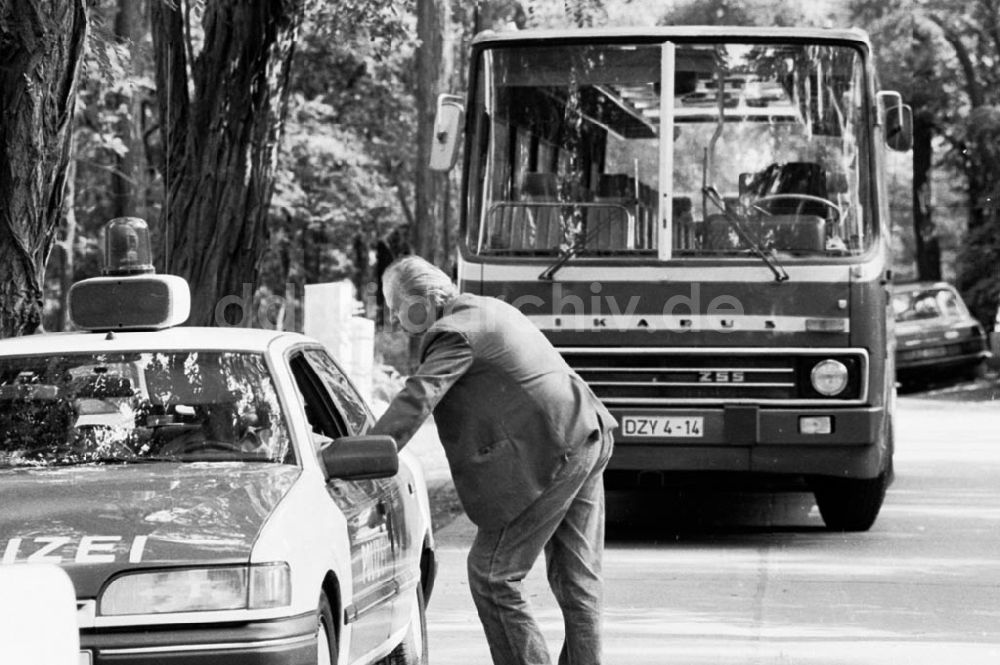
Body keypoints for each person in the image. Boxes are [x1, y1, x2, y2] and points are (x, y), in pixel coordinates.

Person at [372, 255, 616, 665]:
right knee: (579, 584)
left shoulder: (454, 331)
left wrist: (367, 450)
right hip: (586, 431)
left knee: (492, 574)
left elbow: (418, 397)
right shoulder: (486, 308)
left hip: (556, 445)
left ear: (422, 298)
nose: (395, 321)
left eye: (395, 307)